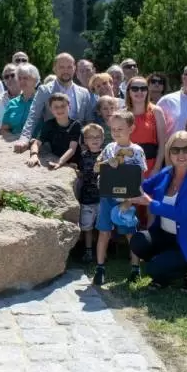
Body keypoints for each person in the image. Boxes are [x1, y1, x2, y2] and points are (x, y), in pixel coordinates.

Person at [128, 131, 187, 292]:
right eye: (175, 150)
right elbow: (142, 187)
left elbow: (182, 213)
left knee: (153, 268)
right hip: (165, 235)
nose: (181, 154)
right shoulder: (166, 172)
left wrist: (151, 203)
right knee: (138, 241)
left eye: (186, 149)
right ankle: (166, 270)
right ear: (169, 153)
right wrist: (114, 181)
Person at [91, 110, 147, 285]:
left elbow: (140, 178)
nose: (116, 132)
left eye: (120, 128)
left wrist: (130, 200)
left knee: (130, 232)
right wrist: (107, 163)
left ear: (131, 128)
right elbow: (96, 168)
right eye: (113, 129)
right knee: (104, 231)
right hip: (107, 197)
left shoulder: (137, 151)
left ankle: (135, 268)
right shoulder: (109, 148)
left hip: (126, 199)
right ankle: (100, 268)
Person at [14, 53, 94, 152]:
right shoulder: (44, 91)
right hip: (53, 147)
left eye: (69, 67)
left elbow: (89, 120)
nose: (66, 71)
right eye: (61, 67)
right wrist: (24, 138)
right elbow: (33, 116)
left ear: (74, 69)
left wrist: (88, 142)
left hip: (78, 147)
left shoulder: (84, 93)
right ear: (54, 69)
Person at [26, 93, 81, 170]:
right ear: (51, 109)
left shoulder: (75, 125)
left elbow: (72, 149)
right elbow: (37, 143)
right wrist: (34, 155)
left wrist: (59, 162)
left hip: (74, 161)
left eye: (63, 106)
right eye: (56, 107)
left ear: (69, 107)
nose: (60, 109)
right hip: (55, 157)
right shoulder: (49, 124)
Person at [125, 76, 166, 177]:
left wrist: (156, 169)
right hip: (127, 165)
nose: (139, 92)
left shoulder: (156, 111)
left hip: (151, 166)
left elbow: (162, 145)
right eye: (135, 88)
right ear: (129, 91)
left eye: (143, 88)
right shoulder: (122, 114)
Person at [77, 123, 104, 263]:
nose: (94, 140)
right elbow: (80, 171)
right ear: (85, 140)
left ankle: (103, 251)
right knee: (87, 227)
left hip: (102, 198)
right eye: (90, 137)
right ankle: (88, 251)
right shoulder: (82, 156)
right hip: (87, 198)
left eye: (97, 137)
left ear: (103, 139)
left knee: (102, 226)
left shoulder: (106, 155)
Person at [1, 63, 39, 136]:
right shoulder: (12, 103)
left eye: (25, 78)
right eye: (19, 78)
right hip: (14, 141)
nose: (21, 81)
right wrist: (14, 138)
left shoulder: (42, 101)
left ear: (35, 80)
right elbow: (4, 129)